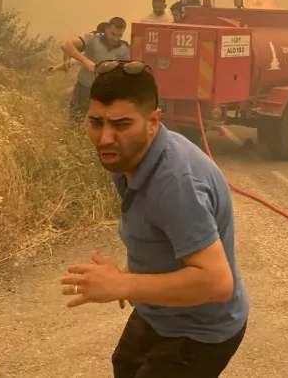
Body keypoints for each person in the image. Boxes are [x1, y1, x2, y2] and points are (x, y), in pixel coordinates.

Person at [60, 60, 249, 377]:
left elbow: (217, 284)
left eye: (121, 124)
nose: (105, 138)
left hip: (199, 332)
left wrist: (122, 284)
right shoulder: (128, 156)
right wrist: (129, 280)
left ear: (153, 122)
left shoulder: (175, 184)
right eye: (96, 122)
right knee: (124, 365)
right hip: (160, 313)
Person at [60, 17, 130, 120]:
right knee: (75, 120)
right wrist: (85, 61)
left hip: (105, 92)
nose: (115, 38)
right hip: (84, 88)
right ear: (106, 29)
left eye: (119, 35)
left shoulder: (124, 48)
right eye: (113, 34)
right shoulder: (93, 39)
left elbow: (124, 71)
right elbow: (65, 45)